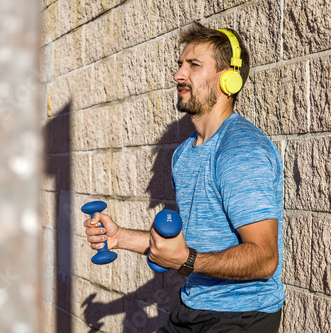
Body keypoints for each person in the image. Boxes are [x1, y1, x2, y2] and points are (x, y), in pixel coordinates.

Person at [84, 22, 285, 332]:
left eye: (193, 65)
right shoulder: (184, 155)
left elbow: (263, 258)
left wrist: (186, 260)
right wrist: (120, 237)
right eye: (180, 64)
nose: (178, 74)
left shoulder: (241, 150)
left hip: (242, 318)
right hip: (191, 307)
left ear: (227, 79)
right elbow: (193, 243)